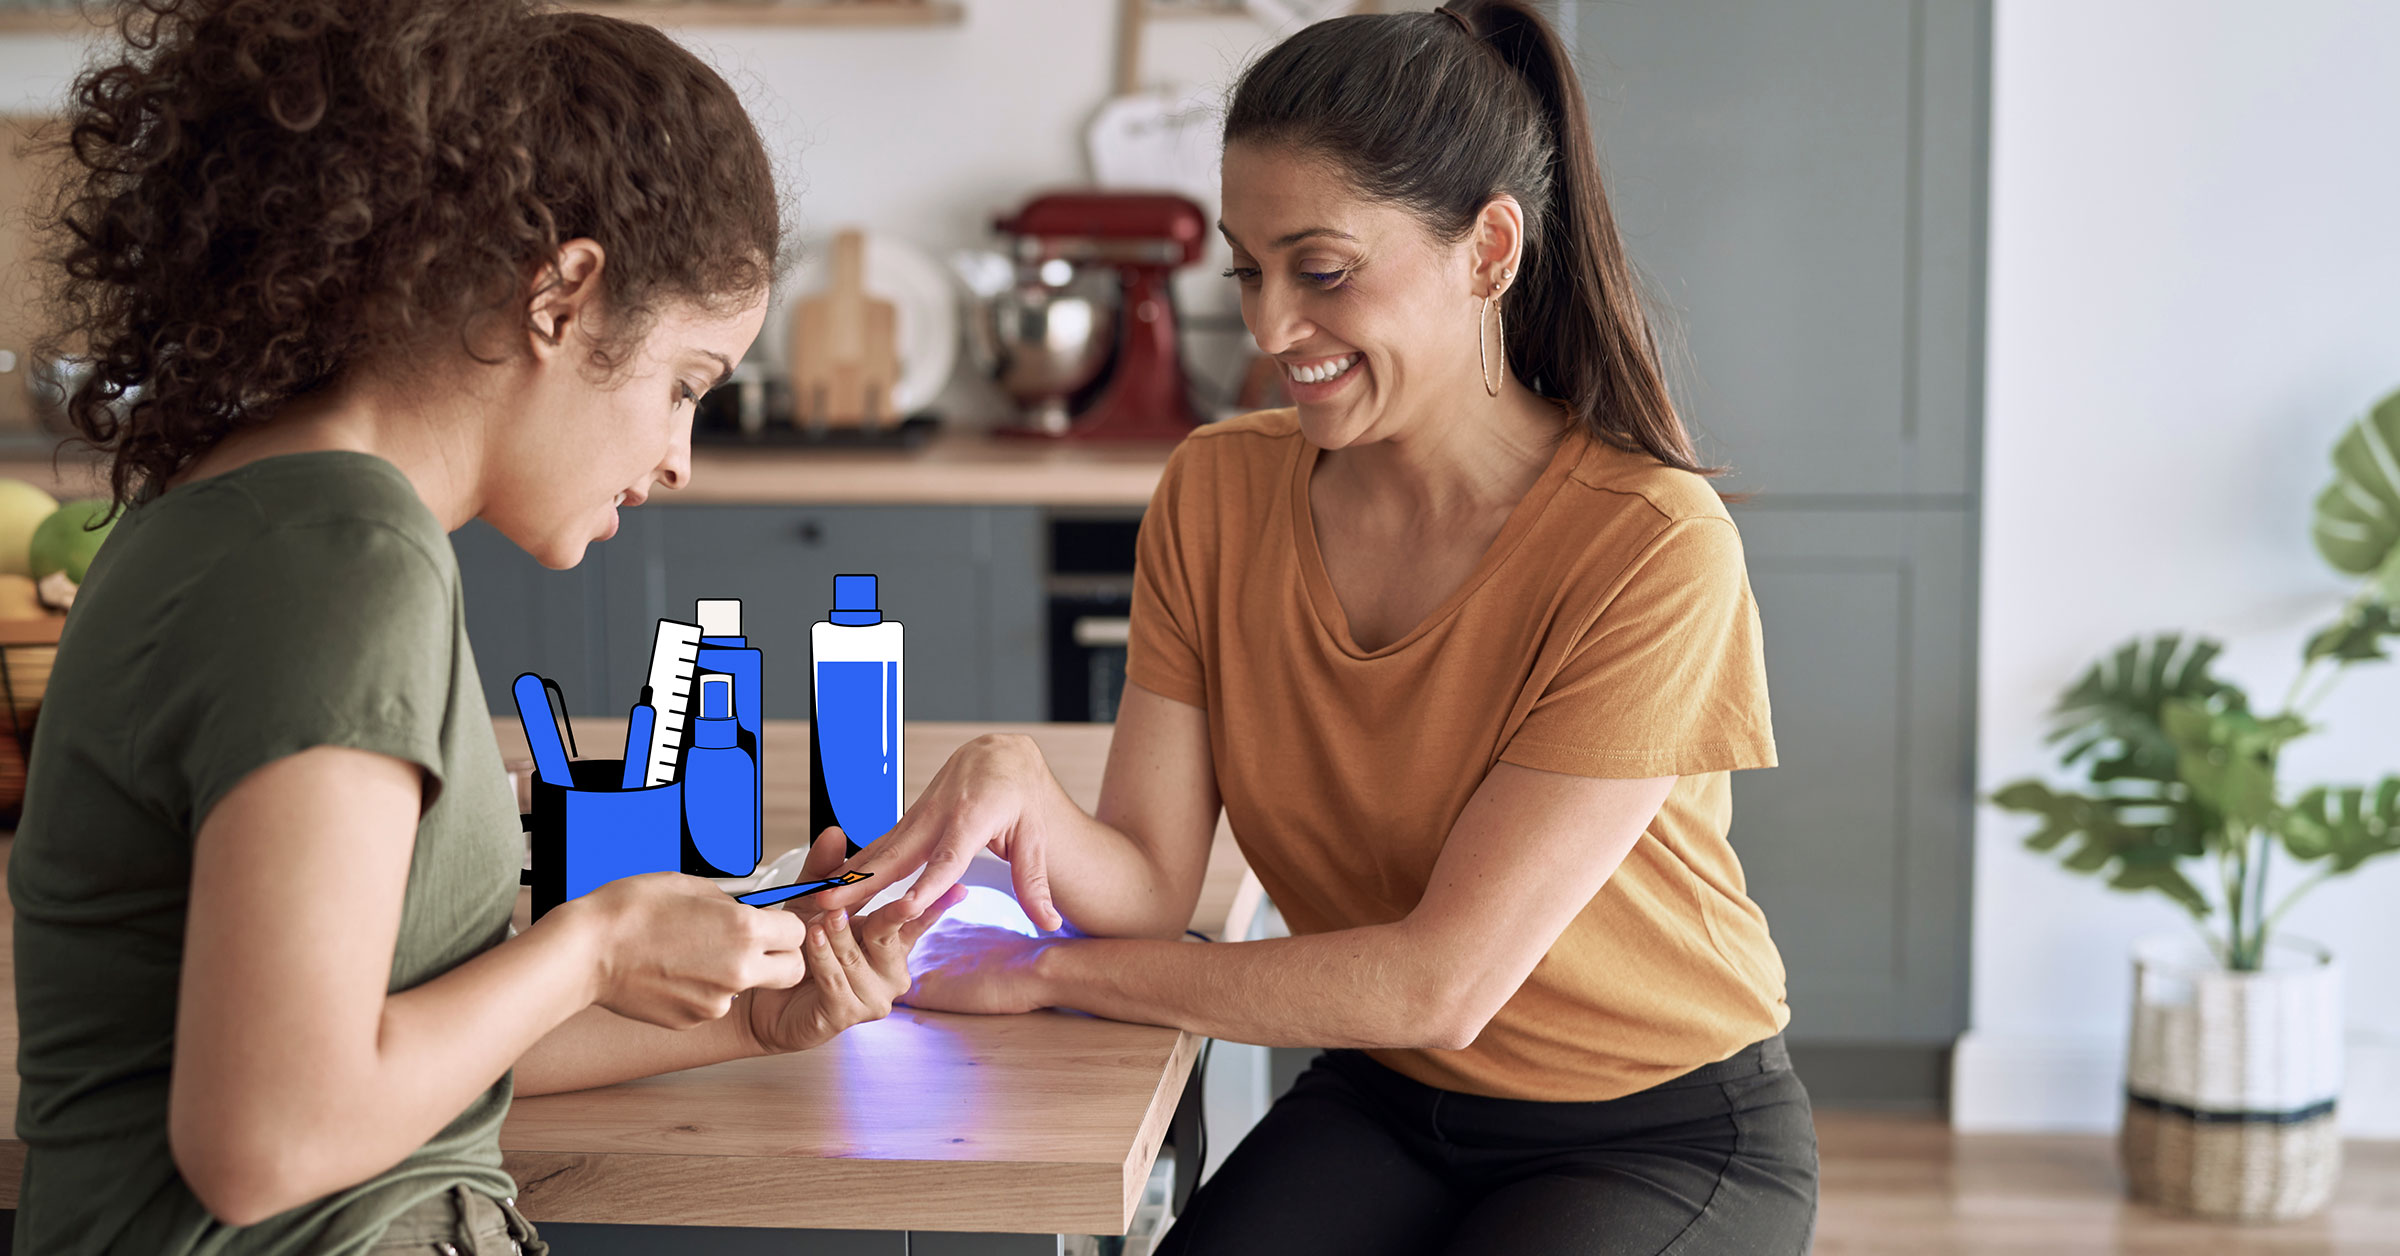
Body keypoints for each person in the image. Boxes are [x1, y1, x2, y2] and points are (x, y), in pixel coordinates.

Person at [810, 3, 1818, 1252]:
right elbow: (1145, 880)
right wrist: (1018, 782)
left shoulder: (1648, 542)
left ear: (1489, 249)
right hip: (1388, 1094)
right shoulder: (1216, 489)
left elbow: (1439, 983)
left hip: (1657, 1128)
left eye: (1323, 270)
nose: (1272, 327)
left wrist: (1050, 971)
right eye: (1247, 269)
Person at [8, 2, 958, 1252]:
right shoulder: (341, 563)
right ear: (563, 296)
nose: (679, 458)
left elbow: (382, 1045)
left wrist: (746, 1015)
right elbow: (269, 1139)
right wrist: (596, 943)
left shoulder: (252, 512)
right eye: (685, 384)